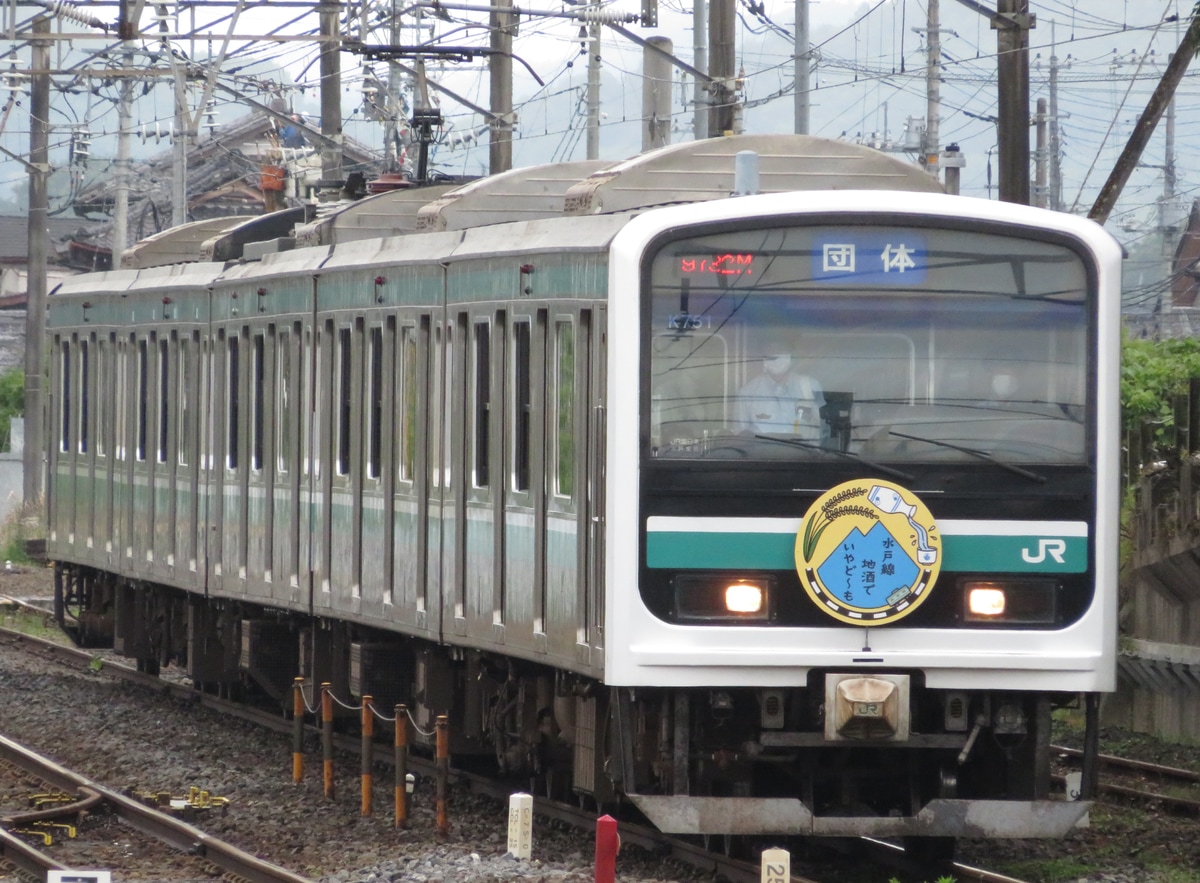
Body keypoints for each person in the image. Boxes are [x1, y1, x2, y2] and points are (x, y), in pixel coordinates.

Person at [735, 340, 827, 440]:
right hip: (762, 454)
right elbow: (740, 436)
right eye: (771, 352)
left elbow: (822, 431)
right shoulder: (748, 393)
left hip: (804, 454)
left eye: (781, 351)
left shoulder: (811, 386)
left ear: (790, 355)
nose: (776, 356)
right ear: (764, 358)